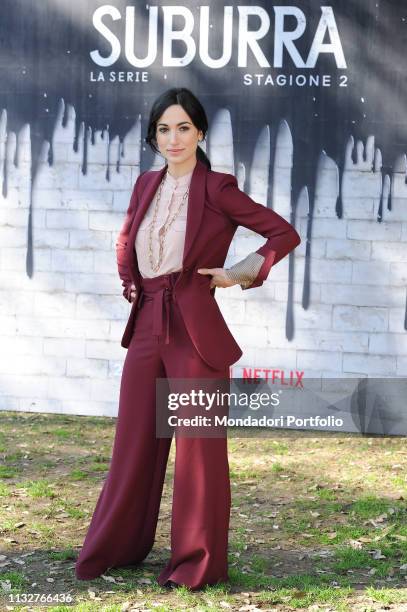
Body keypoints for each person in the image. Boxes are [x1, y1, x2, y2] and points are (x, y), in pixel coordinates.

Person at [75, 87, 301, 590]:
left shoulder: (217, 187)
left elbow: (283, 233)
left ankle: (195, 564)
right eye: (163, 129)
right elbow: (128, 236)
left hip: (195, 332)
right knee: (133, 444)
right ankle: (117, 548)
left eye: (182, 128)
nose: (172, 138)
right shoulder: (144, 184)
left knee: (198, 450)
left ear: (199, 132)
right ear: (154, 136)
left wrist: (238, 273)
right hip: (147, 324)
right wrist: (130, 282)